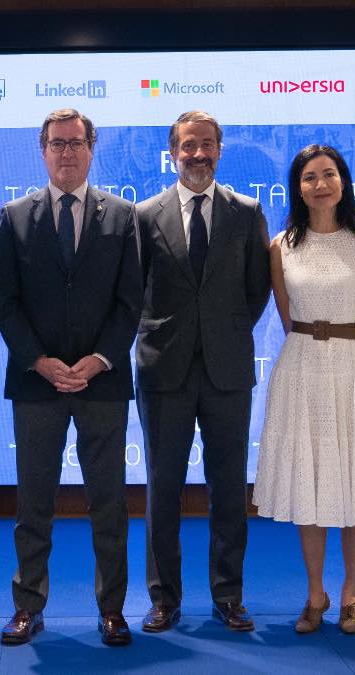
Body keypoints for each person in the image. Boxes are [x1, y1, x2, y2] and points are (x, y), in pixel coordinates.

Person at [0, 108, 142, 647]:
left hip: (101, 382)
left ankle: (113, 610)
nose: (66, 152)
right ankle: (27, 607)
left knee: (109, 501)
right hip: (38, 382)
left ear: (91, 149)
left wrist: (99, 359)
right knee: (34, 502)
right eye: (56, 144)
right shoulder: (14, 216)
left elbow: (131, 302)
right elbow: (4, 300)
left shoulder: (123, 216)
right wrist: (39, 360)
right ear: (43, 150)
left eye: (75, 143)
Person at [253, 144, 355, 635]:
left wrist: (351, 355)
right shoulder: (280, 246)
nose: (320, 184)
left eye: (329, 174)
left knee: (354, 476)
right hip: (301, 369)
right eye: (309, 177)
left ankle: (351, 591)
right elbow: (285, 313)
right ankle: (315, 591)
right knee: (311, 479)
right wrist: (316, 348)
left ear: (343, 181)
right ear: (297, 188)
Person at [135, 110, 270, 634]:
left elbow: (256, 289)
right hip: (163, 370)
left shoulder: (247, 211)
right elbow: (134, 290)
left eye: (207, 144)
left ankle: (228, 595)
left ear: (220, 150)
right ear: (173, 153)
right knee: (162, 489)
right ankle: (163, 598)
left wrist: (224, 330)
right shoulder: (145, 215)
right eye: (188, 146)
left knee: (228, 489)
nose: (198, 154)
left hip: (227, 369)